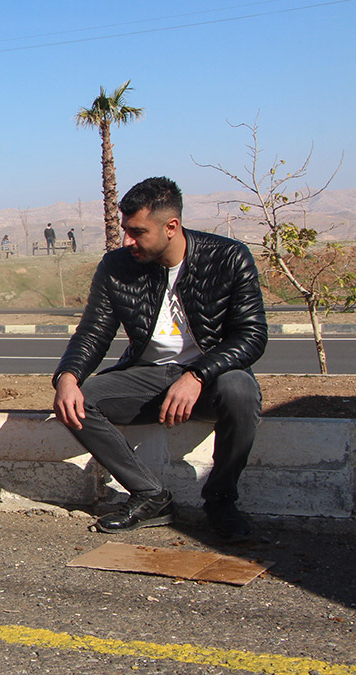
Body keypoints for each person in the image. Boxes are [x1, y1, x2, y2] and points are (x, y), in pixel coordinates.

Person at [52, 177, 267, 540]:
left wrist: (197, 375)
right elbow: (93, 332)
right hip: (148, 377)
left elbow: (251, 336)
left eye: (137, 232)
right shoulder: (117, 266)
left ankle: (220, 500)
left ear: (171, 227)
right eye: (125, 230)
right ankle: (150, 495)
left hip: (212, 379)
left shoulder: (228, 257)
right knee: (77, 401)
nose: (127, 241)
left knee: (240, 390)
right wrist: (68, 377)